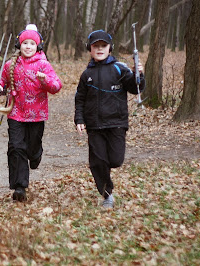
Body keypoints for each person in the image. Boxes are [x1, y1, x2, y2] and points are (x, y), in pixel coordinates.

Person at [74, 30, 145, 209]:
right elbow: (80, 99)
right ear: (89, 49)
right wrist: (79, 119)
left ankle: (107, 174)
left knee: (115, 160)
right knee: (97, 162)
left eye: (103, 46)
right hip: (95, 125)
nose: (99, 49)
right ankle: (107, 194)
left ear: (110, 48)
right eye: (95, 46)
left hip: (116, 123)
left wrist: (139, 75)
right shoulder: (86, 74)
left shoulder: (119, 68)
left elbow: (135, 88)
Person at [0, 24, 62, 202]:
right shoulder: (11, 64)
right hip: (15, 112)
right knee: (16, 147)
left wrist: (45, 80)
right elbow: (1, 80)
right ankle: (19, 186)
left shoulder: (43, 65)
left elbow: (56, 86)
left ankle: (36, 153)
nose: (28, 46)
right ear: (20, 45)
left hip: (37, 115)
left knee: (31, 147)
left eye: (32, 43)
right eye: (25, 43)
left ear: (37, 46)